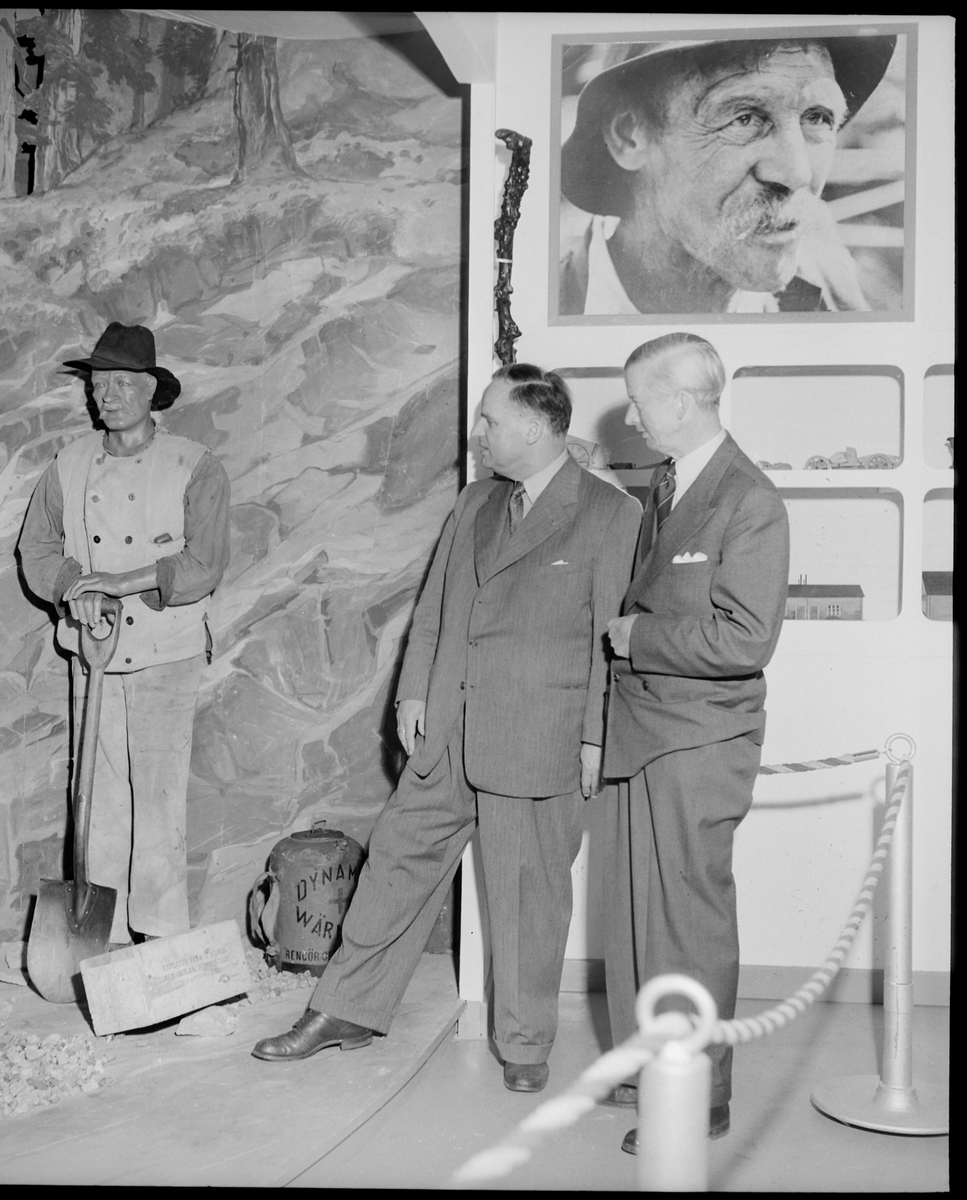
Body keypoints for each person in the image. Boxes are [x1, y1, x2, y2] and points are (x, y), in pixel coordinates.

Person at [252, 364, 640, 1092]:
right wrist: (411, 693)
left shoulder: (611, 515)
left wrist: (595, 736)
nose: (478, 432)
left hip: (538, 740)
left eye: (490, 419)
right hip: (448, 736)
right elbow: (434, 607)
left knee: (527, 899)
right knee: (393, 867)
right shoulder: (475, 502)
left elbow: (609, 643)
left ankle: (524, 1044)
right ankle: (344, 1010)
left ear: (534, 426)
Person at [602, 333, 789, 1152]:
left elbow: (745, 639)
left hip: (699, 738)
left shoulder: (748, 499)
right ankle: (654, 1069)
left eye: (638, 400)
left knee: (686, 925)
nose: (631, 417)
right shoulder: (669, 482)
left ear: (677, 402)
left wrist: (638, 637)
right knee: (643, 919)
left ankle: (698, 1098)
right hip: (647, 730)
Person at [18, 322, 230, 947]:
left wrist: (113, 582)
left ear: (150, 390)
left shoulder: (195, 465)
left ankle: (160, 942)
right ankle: (100, 941)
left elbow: (202, 565)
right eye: (97, 384)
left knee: (159, 802)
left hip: (168, 654)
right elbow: (37, 550)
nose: (105, 396)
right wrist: (74, 588)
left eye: (120, 384)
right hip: (95, 652)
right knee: (100, 799)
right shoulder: (69, 465)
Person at [558, 34, 897, 315]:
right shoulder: (543, 309)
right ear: (629, 136)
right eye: (744, 118)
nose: (798, 173)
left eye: (817, 117)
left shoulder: (826, 271)